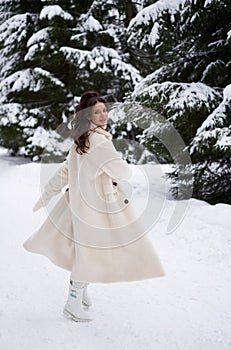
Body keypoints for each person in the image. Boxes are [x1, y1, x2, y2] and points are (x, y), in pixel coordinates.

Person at [23, 91, 166, 322]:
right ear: (87, 115)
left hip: (82, 205)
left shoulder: (82, 139)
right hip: (98, 208)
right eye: (96, 112)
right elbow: (121, 171)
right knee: (92, 252)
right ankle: (73, 301)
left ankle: (81, 293)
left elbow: (65, 171)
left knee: (87, 250)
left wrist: (46, 195)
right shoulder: (98, 140)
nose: (102, 115)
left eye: (104, 110)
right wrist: (122, 166)